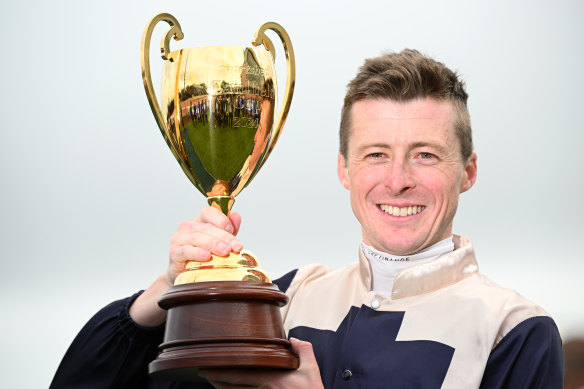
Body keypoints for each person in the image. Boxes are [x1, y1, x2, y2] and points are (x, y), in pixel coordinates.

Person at [51, 49, 563, 388]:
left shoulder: (513, 331)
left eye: (425, 155)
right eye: (375, 154)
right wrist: (165, 290)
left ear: (467, 171)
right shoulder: (284, 299)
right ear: (343, 168)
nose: (398, 180)